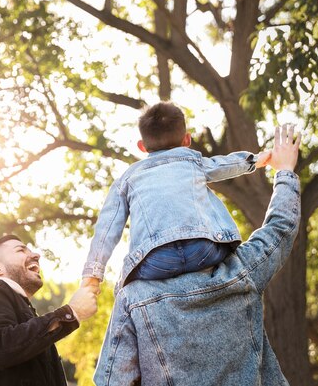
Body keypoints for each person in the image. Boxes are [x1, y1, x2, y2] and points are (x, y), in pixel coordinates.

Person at [94, 124, 302, 386]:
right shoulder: (242, 270)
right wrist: (284, 172)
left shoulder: (133, 298)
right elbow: (281, 227)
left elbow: (112, 381)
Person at [82, 101, 272, 289]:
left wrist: (92, 276)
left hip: (155, 260)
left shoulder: (127, 179)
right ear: (187, 140)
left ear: (142, 146)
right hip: (203, 250)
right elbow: (224, 165)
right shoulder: (192, 161)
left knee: (126, 289)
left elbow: (107, 228)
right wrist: (256, 160)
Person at [0, 235, 99, 386]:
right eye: (21, 250)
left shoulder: (19, 309)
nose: (36, 255)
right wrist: (71, 312)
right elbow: (1, 347)